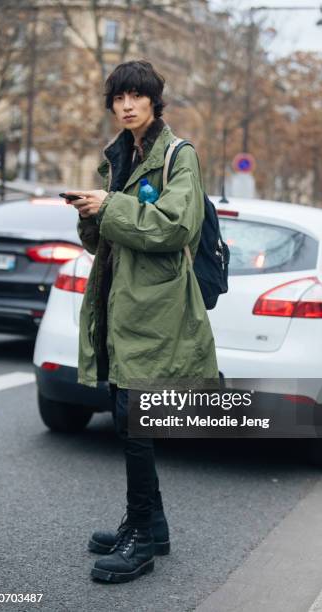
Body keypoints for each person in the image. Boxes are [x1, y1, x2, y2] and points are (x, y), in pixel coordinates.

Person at [65, 59, 218, 584]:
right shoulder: (122, 154)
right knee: (124, 410)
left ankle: (144, 542)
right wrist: (91, 214)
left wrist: (110, 205)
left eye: (137, 95)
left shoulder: (179, 155)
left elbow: (175, 227)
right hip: (117, 300)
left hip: (155, 308)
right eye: (119, 97)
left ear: (155, 100)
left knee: (134, 420)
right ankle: (149, 521)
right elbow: (112, 234)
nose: (127, 105)